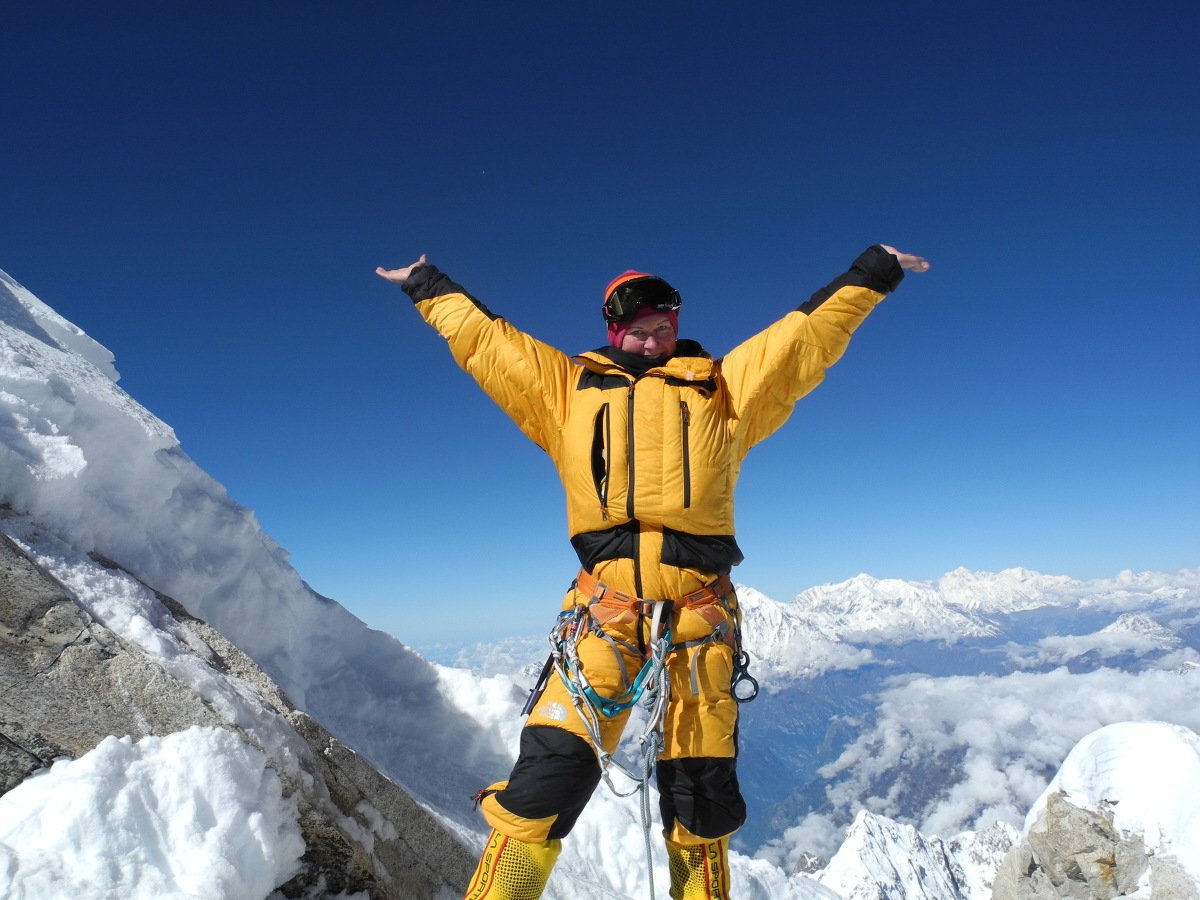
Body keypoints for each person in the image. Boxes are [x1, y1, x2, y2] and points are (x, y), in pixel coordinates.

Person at [376, 244, 930, 899]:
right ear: (614, 331)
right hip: (607, 613)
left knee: (701, 789)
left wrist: (872, 273)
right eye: (637, 328)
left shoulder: (722, 389)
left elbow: (802, 340)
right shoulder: (566, 389)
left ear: (676, 326)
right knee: (546, 778)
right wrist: (425, 284)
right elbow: (489, 344)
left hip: (697, 617)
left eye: (662, 327)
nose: (651, 338)